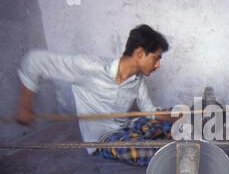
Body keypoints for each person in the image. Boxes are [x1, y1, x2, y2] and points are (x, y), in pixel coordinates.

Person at [16, 24, 175, 166]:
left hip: (127, 128)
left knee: (177, 126)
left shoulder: (137, 81)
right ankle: (161, 146)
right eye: (156, 58)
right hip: (104, 138)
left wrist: (176, 115)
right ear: (140, 53)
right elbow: (33, 61)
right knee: (146, 153)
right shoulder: (89, 67)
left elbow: (150, 112)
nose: (158, 65)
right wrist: (25, 106)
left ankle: (164, 141)